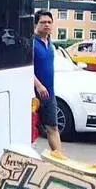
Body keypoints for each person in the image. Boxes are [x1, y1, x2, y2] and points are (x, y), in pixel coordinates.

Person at [33, 10, 63, 154]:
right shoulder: (31, 43)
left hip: (49, 93)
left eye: (49, 22)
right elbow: (25, 68)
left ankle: (60, 159)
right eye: (43, 22)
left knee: (53, 127)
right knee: (31, 129)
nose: (47, 25)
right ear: (36, 24)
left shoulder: (50, 44)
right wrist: (38, 85)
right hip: (33, 94)